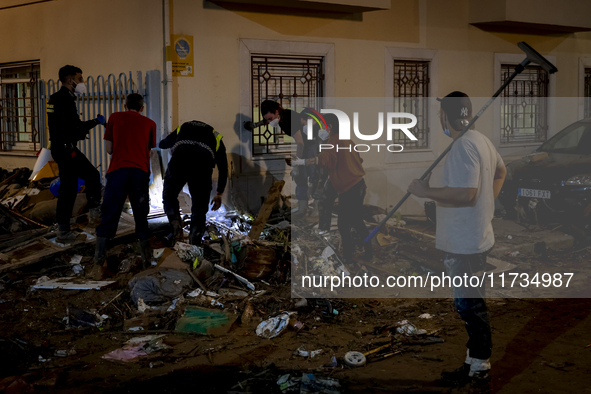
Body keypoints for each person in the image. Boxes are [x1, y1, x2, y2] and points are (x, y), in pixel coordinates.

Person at [407, 92, 506, 386]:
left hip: (465, 242)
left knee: (469, 305)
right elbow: (501, 170)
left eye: (440, 115)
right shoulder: (481, 140)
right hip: (474, 236)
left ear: (449, 117)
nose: (440, 119)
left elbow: (466, 193)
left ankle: (480, 367)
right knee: (472, 303)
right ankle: (473, 361)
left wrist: (426, 191)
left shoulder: (464, 145)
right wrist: (487, 206)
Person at [90, 93, 157, 280]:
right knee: (141, 216)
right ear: (142, 108)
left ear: (124, 105)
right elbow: (148, 151)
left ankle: (97, 265)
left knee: (110, 214)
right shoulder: (150, 123)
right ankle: (146, 262)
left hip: (118, 171)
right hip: (139, 173)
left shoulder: (114, 118)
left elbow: (109, 149)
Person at [47, 65, 106, 242]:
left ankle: (88, 219)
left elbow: (64, 126)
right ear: (70, 80)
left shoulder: (55, 98)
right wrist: (96, 121)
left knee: (86, 178)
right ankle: (67, 230)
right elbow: (75, 127)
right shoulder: (65, 100)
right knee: (72, 188)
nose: (82, 83)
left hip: (63, 148)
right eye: (80, 79)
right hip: (66, 149)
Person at [304, 113, 372, 262]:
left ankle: (348, 257)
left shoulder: (332, 140)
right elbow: (358, 159)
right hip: (359, 184)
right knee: (357, 221)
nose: (320, 129)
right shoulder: (347, 139)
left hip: (349, 189)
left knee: (343, 223)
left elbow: (324, 159)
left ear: (330, 127)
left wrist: (305, 162)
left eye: (322, 126)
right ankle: (368, 252)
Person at [159, 120, 228, 246]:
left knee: (169, 196)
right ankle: (194, 242)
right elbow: (223, 168)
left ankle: (175, 227)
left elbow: (163, 144)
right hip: (202, 166)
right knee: (199, 208)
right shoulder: (215, 136)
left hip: (179, 160)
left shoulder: (183, 128)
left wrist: (172, 140)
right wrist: (219, 193)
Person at [247, 100, 309, 217]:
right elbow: (266, 120)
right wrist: (255, 125)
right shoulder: (281, 116)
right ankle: (302, 207)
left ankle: (308, 209)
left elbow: (301, 143)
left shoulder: (290, 120)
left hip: (311, 146)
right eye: (268, 119)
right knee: (300, 177)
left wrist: (297, 164)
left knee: (306, 176)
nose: (269, 122)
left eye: (270, 118)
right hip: (305, 146)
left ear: (276, 112)